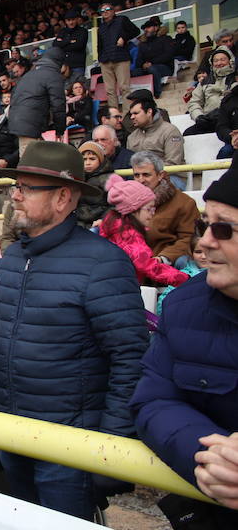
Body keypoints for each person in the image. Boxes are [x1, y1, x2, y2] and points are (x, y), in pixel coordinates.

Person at [0, 141, 149, 521]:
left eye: (25, 189)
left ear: (62, 198)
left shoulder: (103, 263)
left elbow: (130, 359)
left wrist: (111, 450)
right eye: (13, 187)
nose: (14, 198)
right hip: (13, 434)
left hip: (73, 446)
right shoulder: (12, 261)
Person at [130, 155, 238, 527]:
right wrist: (208, 455)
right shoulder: (184, 305)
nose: (204, 243)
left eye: (224, 230)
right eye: (205, 225)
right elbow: (154, 399)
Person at [99, 175, 190, 287]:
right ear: (132, 210)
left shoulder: (115, 225)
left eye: (153, 209)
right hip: (120, 289)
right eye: (149, 209)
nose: (152, 213)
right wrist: (185, 279)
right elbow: (149, 266)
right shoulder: (128, 234)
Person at [130, 151, 199, 267]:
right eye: (137, 175)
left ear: (161, 175)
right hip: (132, 257)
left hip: (166, 261)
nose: (141, 180)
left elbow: (189, 239)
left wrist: (164, 258)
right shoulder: (128, 201)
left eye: (146, 175)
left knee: (182, 261)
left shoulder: (185, 203)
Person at [8, 46, 66, 155]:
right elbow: (58, 105)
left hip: (20, 120)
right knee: (29, 163)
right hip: (29, 124)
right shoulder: (53, 75)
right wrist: (60, 130)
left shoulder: (29, 74)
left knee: (40, 159)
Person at [126, 99, 186, 190]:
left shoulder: (170, 131)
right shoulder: (131, 137)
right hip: (141, 179)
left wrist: (151, 175)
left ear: (149, 112)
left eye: (136, 113)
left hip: (170, 177)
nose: (132, 117)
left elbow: (173, 163)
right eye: (131, 114)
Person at [96, 2, 140, 110]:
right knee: (109, 90)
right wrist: (100, 59)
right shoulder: (100, 28)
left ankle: (127, 114)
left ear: (113, 10)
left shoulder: (122, 20)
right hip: (105, 61)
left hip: (121, 58)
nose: (105, 12)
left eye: (107, 9)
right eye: (102, 10)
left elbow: (136, 31)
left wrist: (124, 38)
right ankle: (113, 114)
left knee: (124, 88)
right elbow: (99, 45)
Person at [186, 47, 236, 136]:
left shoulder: (236, 79)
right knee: (188, 134)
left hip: (231, 121)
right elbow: (194, 102)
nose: (219, 63)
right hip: (208, 120)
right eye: (216, 61)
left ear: (230, 61)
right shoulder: (204, 82)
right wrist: (198, 117)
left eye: (223, 60)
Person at [75, 141, 113, 227]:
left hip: (99, 224)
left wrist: (104, 220)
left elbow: (115, 205)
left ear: (101, 160)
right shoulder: (76, 178)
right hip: (78, 223)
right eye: (84, 159)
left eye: (92, 159)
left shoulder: (109, 179)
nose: (88, 163)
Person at [135, 16, 175, 99]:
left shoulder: (165, 39)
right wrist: (143, 64)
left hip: (165, 67)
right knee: (133, 72)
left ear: (156, 27)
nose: (146, 30)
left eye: (149, 27)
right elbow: (138, 60)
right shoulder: (142, 44)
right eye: (145, 28)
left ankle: (157, 95)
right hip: (147, 67)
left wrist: (152, 63)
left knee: (152, 69)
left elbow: (168, 55)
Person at [53, 10, 89, 79]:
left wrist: (63, 44)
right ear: (65, 21)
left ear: (76, 19)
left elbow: (79, 45)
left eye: (73, 20)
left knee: (78, 86)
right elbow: (55, 45)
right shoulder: (62, 31)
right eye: (68, 20)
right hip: (64, 66)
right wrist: (69, 41)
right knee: (65, 88)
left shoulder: (83, 31)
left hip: (78, 65)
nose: (71, 22)